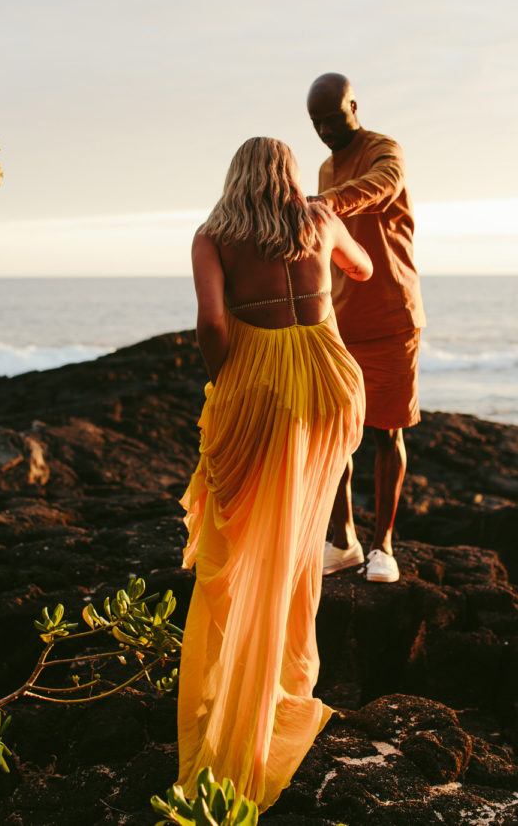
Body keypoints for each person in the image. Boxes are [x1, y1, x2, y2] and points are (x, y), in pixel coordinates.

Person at [177, 136, 372, 811]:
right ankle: (283, 682)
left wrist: (226, 379)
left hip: (261, 383)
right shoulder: (319, 220)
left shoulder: (213, 235)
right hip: (331, 378)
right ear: (290, 175)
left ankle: (241, 702)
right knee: (296, 539)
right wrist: (323, 294)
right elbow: (366, 269)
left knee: (240, 546)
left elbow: (209, 322)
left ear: (236, 176)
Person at [306, 72, 426, 584]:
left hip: (393, 314)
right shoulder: (325, 167)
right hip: (339, 317)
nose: (327, 130)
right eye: (317, 124)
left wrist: (324, 204)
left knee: (386, 432)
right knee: (335, 434)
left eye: (334, 118)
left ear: (354, 105)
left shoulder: (384, 150)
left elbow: (382, 187)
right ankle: (344, 540)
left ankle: (384, 547)